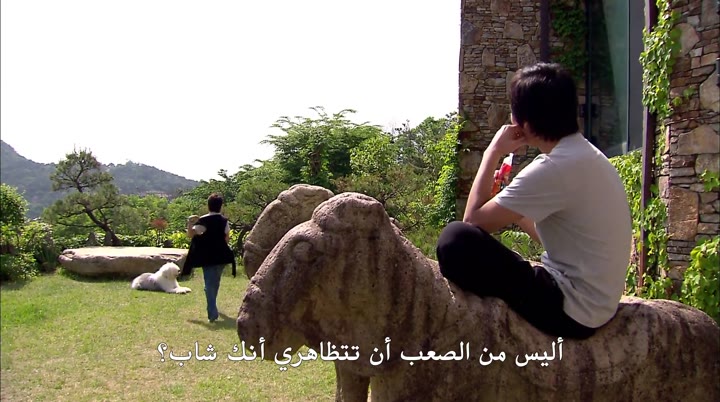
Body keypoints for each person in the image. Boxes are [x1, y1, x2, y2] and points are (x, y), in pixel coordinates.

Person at [436, 63, 632, 340]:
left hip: (572, 311)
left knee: (455, 239)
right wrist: (515, 208)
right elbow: (559, 241)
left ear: (524, 123)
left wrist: (493, 151)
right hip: (596, 304)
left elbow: (472, 222)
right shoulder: (587, 155)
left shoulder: (553, 167)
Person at [181, 193, 236, 323]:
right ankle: (213, 307)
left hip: (208, 257)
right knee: (214, 283)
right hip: (222, 256)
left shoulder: (204, 220)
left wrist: (190, 222)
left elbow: (191, 234)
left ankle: (212, 312)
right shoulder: (224, 221)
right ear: (220, 206)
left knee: (209, 285)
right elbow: (226, 238)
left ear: (208, 205)